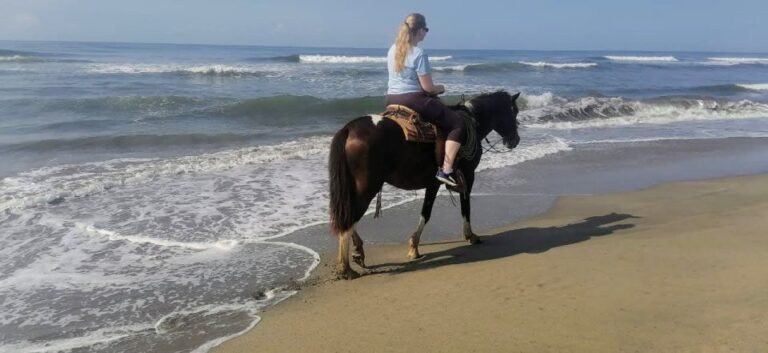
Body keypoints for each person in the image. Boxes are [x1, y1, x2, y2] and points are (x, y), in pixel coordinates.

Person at [385, 13, 465, 187]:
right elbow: (428, 88)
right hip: (413, 99)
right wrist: (440, 88)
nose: (426, 33)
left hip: (391, 99)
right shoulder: (419, 53)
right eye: (426, 29)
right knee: (457, 123)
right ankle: (447, 170)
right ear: (419, 30)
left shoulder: (393, 49)